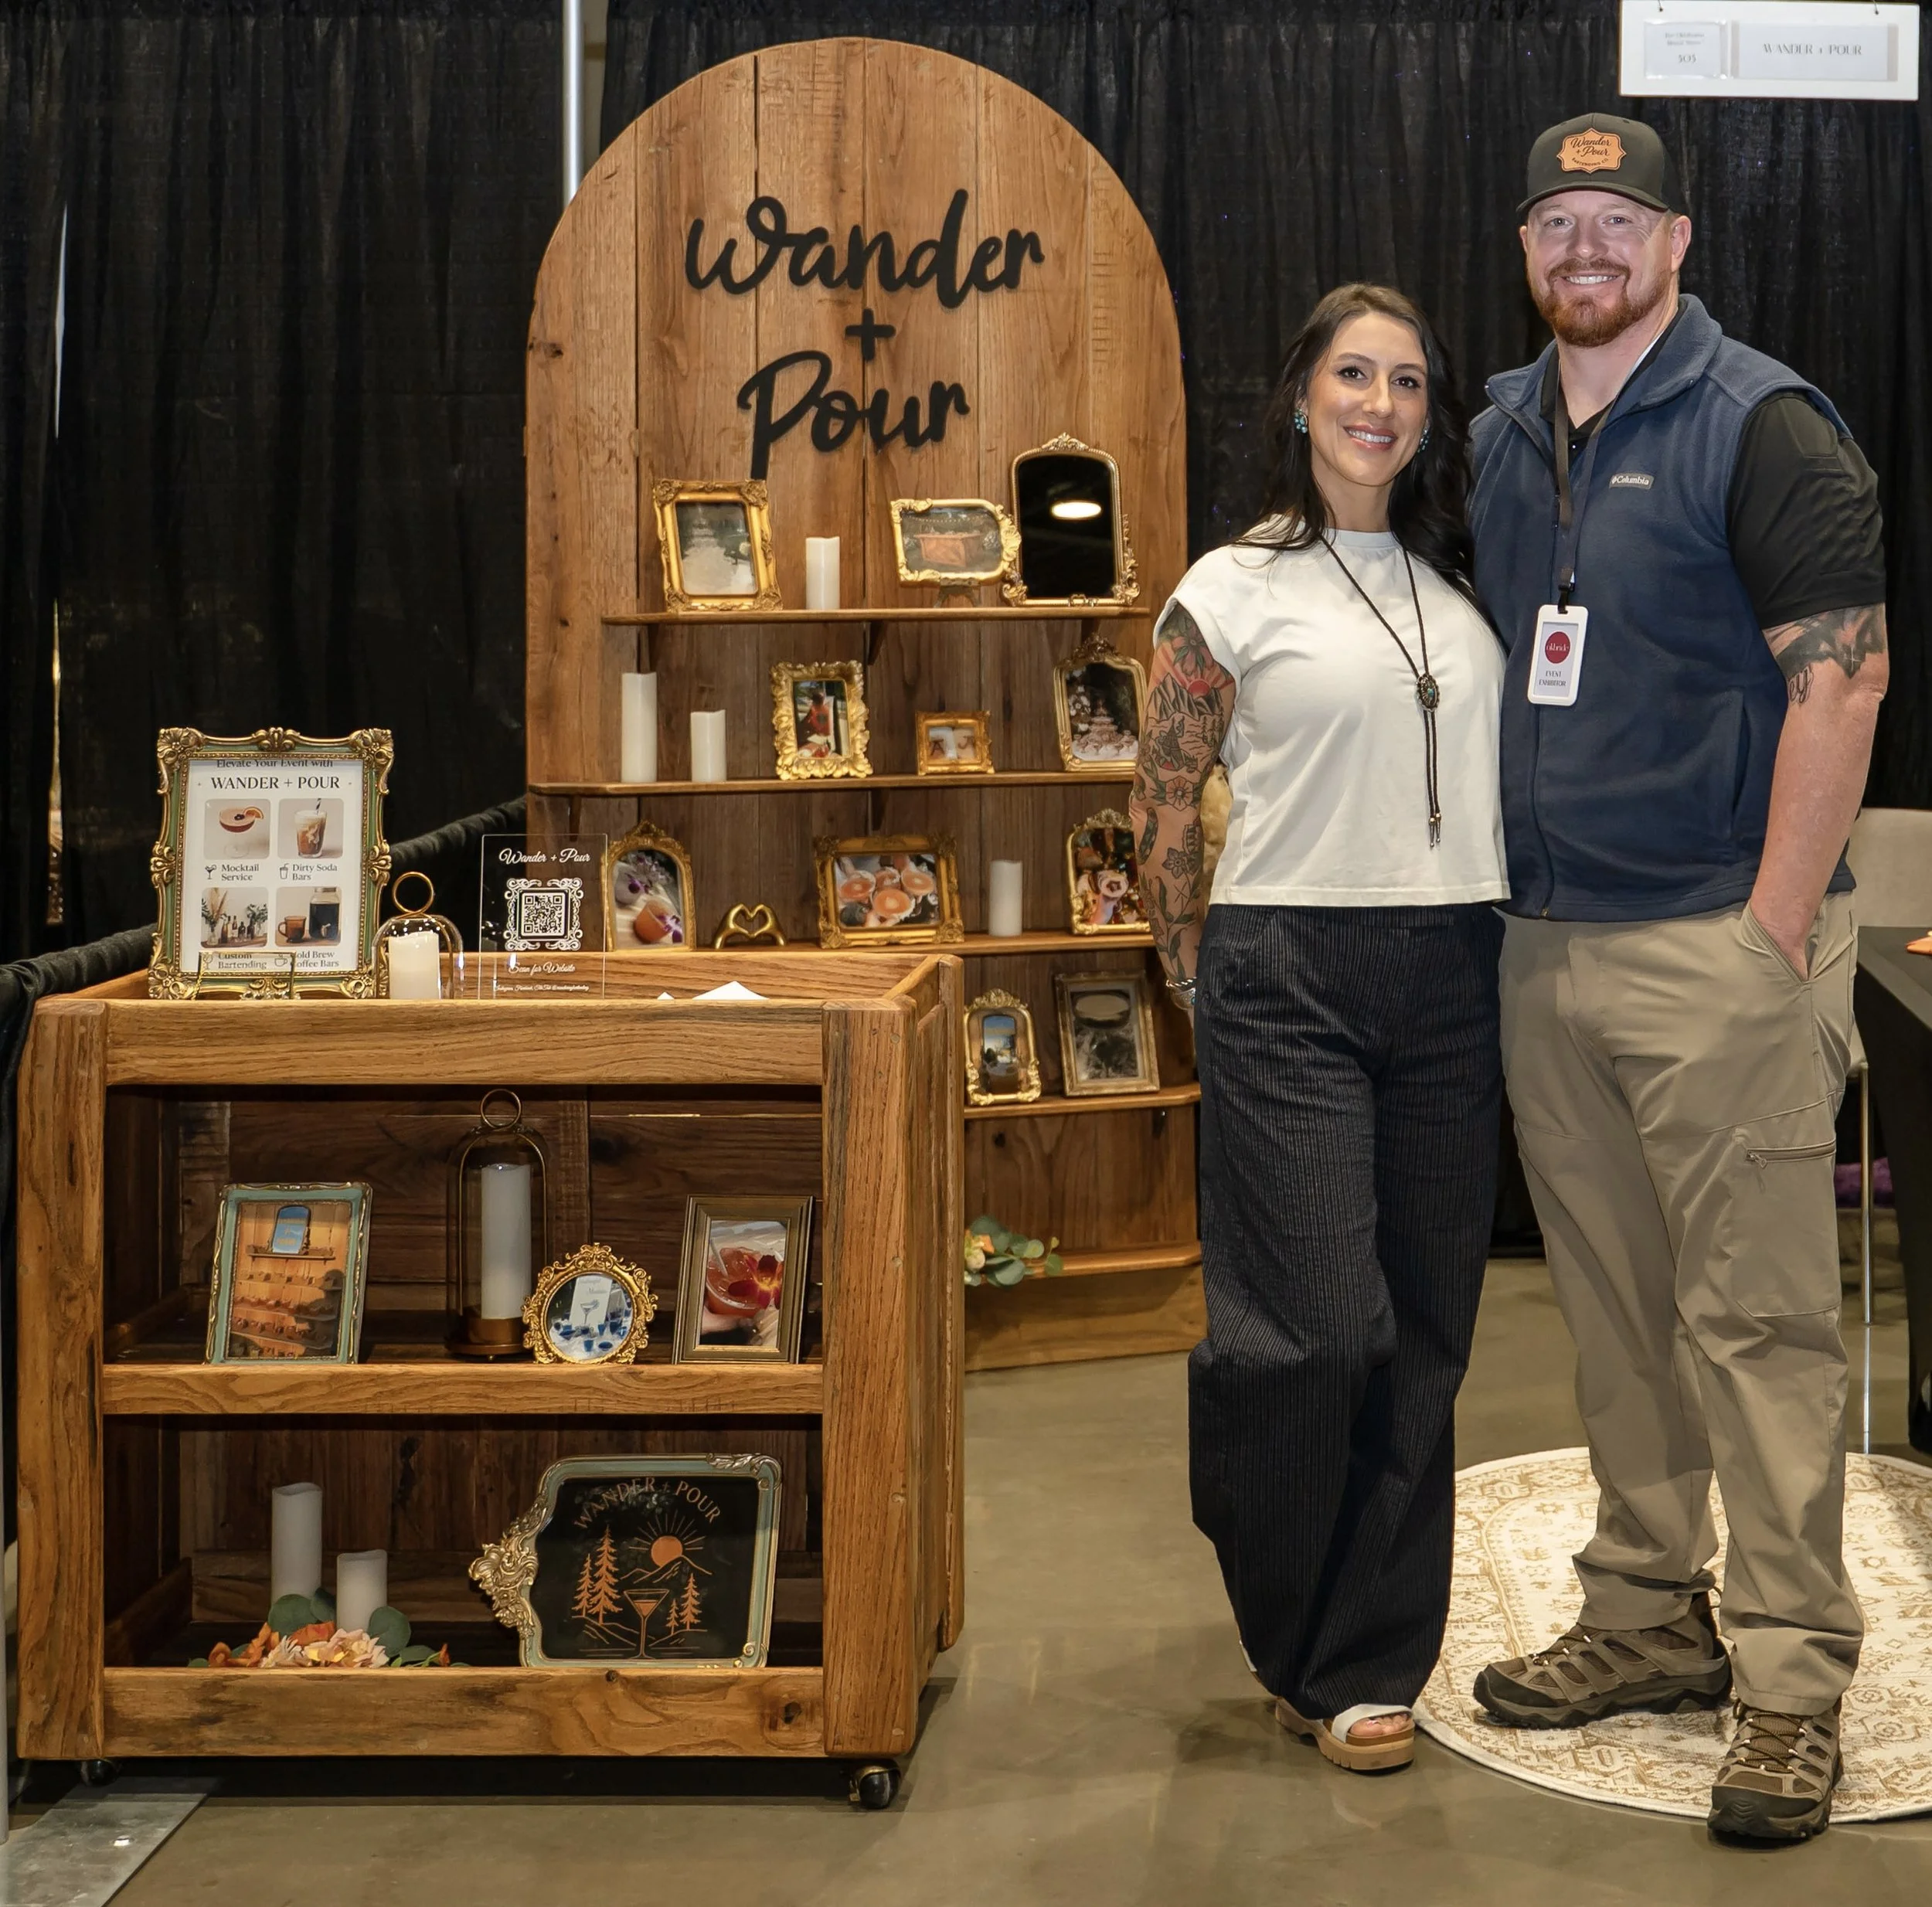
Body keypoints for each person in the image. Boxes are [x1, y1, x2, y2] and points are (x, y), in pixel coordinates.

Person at [1466, 114, 1887, 1842]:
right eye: (1557, 219)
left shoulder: (1762, 422)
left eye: (1617, 217)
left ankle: (1790, 1678)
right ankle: (1647, 1613)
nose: (1587, 246)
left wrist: (1771, 932)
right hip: (1546, 944)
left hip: (1719, 943)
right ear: (1524, 246)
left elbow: (1843, 680)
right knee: (1618, 1315)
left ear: (1676, 240)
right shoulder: (1498, 429)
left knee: (1760, 1326)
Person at [1131, 284, 1508, 1773]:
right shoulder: (1231, 586)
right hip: (1285, 970)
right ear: (1302, 398)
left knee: (1424, 1331)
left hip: (1456, 968)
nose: (1380, 404)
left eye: (1408, 382)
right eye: (1355, 374)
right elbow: (1164, 801)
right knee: (1312, 1332)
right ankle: (1289, 1611)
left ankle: (1366, 1659)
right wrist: (1190, 977)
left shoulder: (1459, 578)